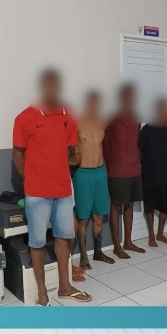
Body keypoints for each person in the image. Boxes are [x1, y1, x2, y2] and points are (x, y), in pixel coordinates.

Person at [12, 69, 92, 305]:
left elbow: (71, 154)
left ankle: (65, 287)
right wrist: (30, 179)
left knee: (64, 238)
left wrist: (74, 156)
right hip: (37, 193)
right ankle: (42, 294)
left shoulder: (68, 116)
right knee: (36, 243)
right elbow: (17, 153)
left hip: (63, 191)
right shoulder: (25, 118)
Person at [103, 83, 146, 259]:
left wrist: (138, 161)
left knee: (130, 205)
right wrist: (111, 164)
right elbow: (106, 145)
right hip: (117, 170)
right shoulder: (112, 118)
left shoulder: (137, 117)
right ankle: (116, 246)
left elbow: (138, 142)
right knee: (116, 206)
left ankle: (128, 241)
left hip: (134, 169)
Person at [73, 91, 114, 268]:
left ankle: (98, 252)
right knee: (83, 218)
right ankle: (83, 256)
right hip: (83, 174)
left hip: (100, 172)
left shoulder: (101, 122)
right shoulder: (77, 122)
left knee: (99, 216)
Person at [138, 98, 167, 247]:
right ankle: (151, 236)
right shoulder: (147, 129)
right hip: (150, 174)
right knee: (149, 206)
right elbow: (140, 151)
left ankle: (160, 233)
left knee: (165, 206)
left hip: (166, 174)